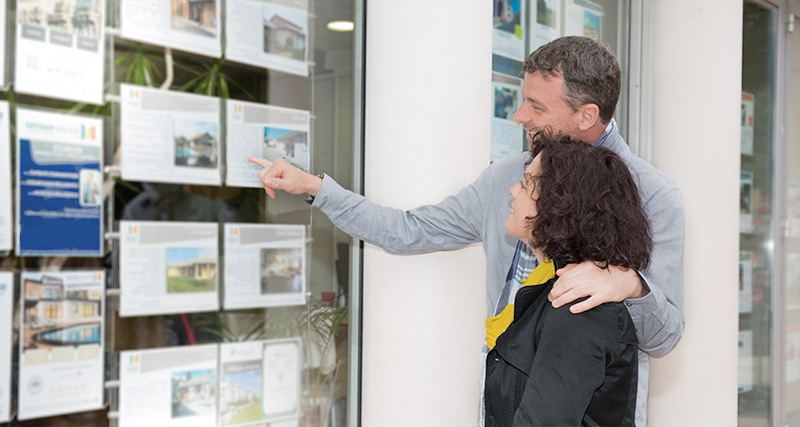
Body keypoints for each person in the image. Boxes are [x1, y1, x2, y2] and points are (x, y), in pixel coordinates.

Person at [248, 36, 685, 425]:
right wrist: (316, 189)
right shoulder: (507, 177)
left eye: (536, 106)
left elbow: (664, 335)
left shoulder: (655, 196)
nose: (519, 116)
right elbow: (409, 230)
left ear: (587, 114)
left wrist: (629, 284)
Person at [484, 133, 648, 426]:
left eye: (525, 185)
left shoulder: (578, 310)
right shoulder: (549, 288)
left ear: (557, 206)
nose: (512, 191)